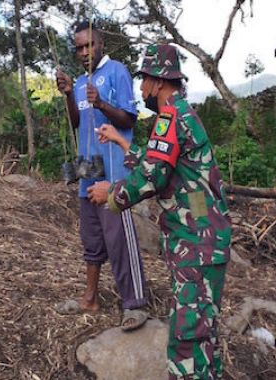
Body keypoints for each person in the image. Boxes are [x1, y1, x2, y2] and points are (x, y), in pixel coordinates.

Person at [88, 44, 232, 379]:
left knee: (187, 341)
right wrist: (123, 143)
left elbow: (153, 176)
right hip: (205, 241)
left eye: (144, 82)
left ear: (157, 82)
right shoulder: (182, 114)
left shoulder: (170, 116)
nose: (141, 90)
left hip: (195, 245)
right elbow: (164, 167)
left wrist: (112, 193)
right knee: (203, 337)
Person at [55, 21, 148, 330]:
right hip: (88, 168)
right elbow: (76, 122)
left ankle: (134, 304)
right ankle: (90, 299)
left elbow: (130, 119)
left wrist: (102, 102)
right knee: (92, 240)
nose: (84, 52)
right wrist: (70, 93)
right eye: (79, 47)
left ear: (101, 44)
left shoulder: (118, 72)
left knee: (119, 239)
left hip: (114, 172)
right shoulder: (81, 81)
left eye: (89, 45)